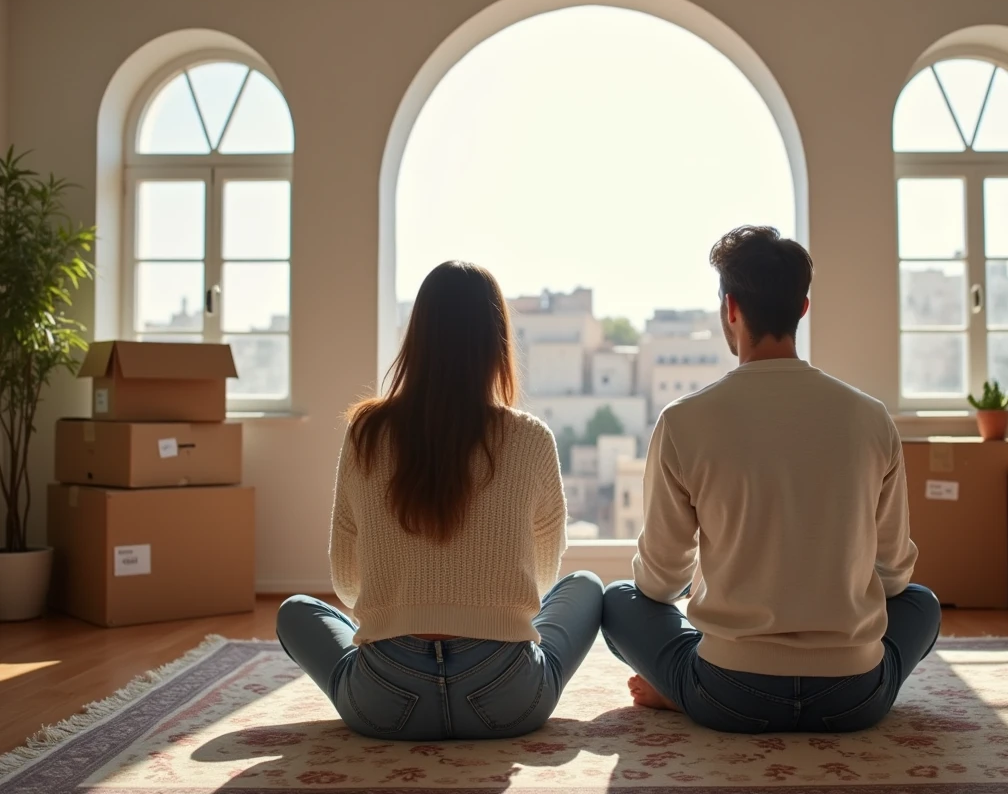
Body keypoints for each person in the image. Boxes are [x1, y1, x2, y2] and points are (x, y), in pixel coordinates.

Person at [601, 226, 940, 733]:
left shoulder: (683, 421)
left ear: (730, 309)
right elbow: (893, 576)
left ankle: (682, 690)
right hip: (853, 697)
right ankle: (690, 688)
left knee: (618, 602)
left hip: (730, 692)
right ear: (802, 308)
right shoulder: (871, 419)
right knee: (922, 604)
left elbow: (659, 581)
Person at [277, 261, 602, 741]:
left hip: (384, 703)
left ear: (418, 337)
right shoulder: (531, 437)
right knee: (587, 586)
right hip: (508, 700)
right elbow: (543, 577)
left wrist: (407, 603)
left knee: (296, 610)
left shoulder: (366, 433)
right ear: (497, 344)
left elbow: (347, 584)